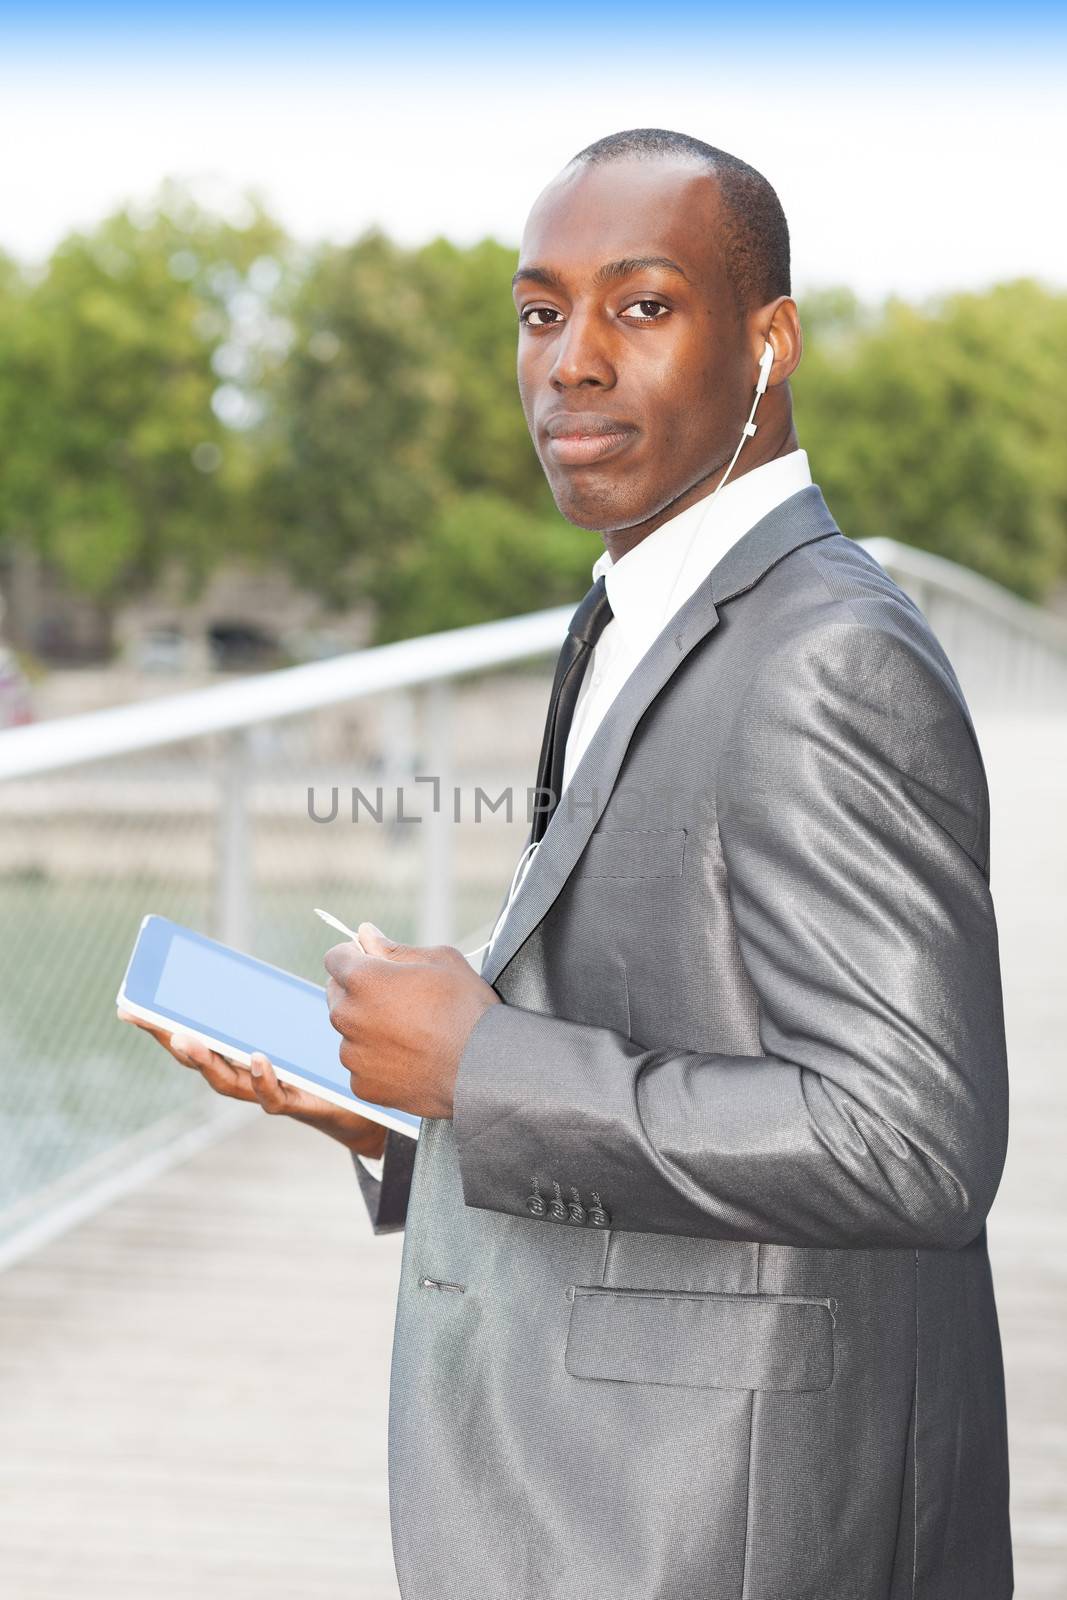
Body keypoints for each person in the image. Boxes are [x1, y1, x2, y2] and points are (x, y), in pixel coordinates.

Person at [122, 129, 1013, 1598]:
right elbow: (681, 1031)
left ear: (770, 341)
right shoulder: (631, 610)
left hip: (725, 1526)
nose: (573, 361)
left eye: (642, 307)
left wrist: (484, 1068)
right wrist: (397, 1112)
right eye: (542, 314)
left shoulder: (830, 654)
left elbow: (908, 1140)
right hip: (605, 1488)